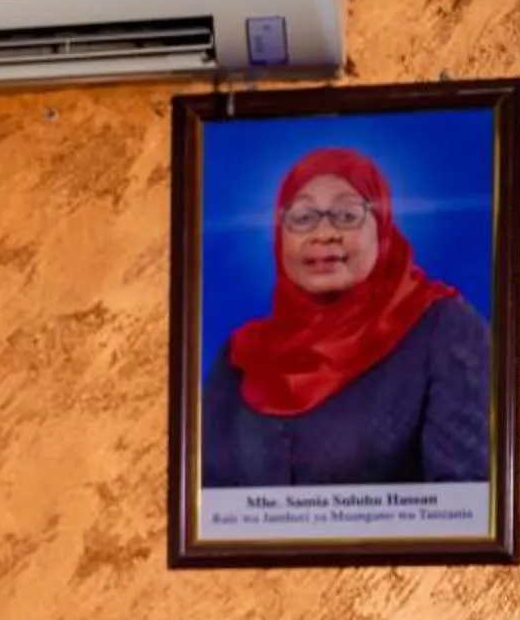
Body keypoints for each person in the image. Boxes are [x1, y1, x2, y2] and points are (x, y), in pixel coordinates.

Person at [202, 147, 492, 489]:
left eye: (346, 214)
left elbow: (464, 508)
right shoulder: (241, 357)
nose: (323, 233)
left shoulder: (445, 330)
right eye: (303, 217)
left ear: (382, 229)